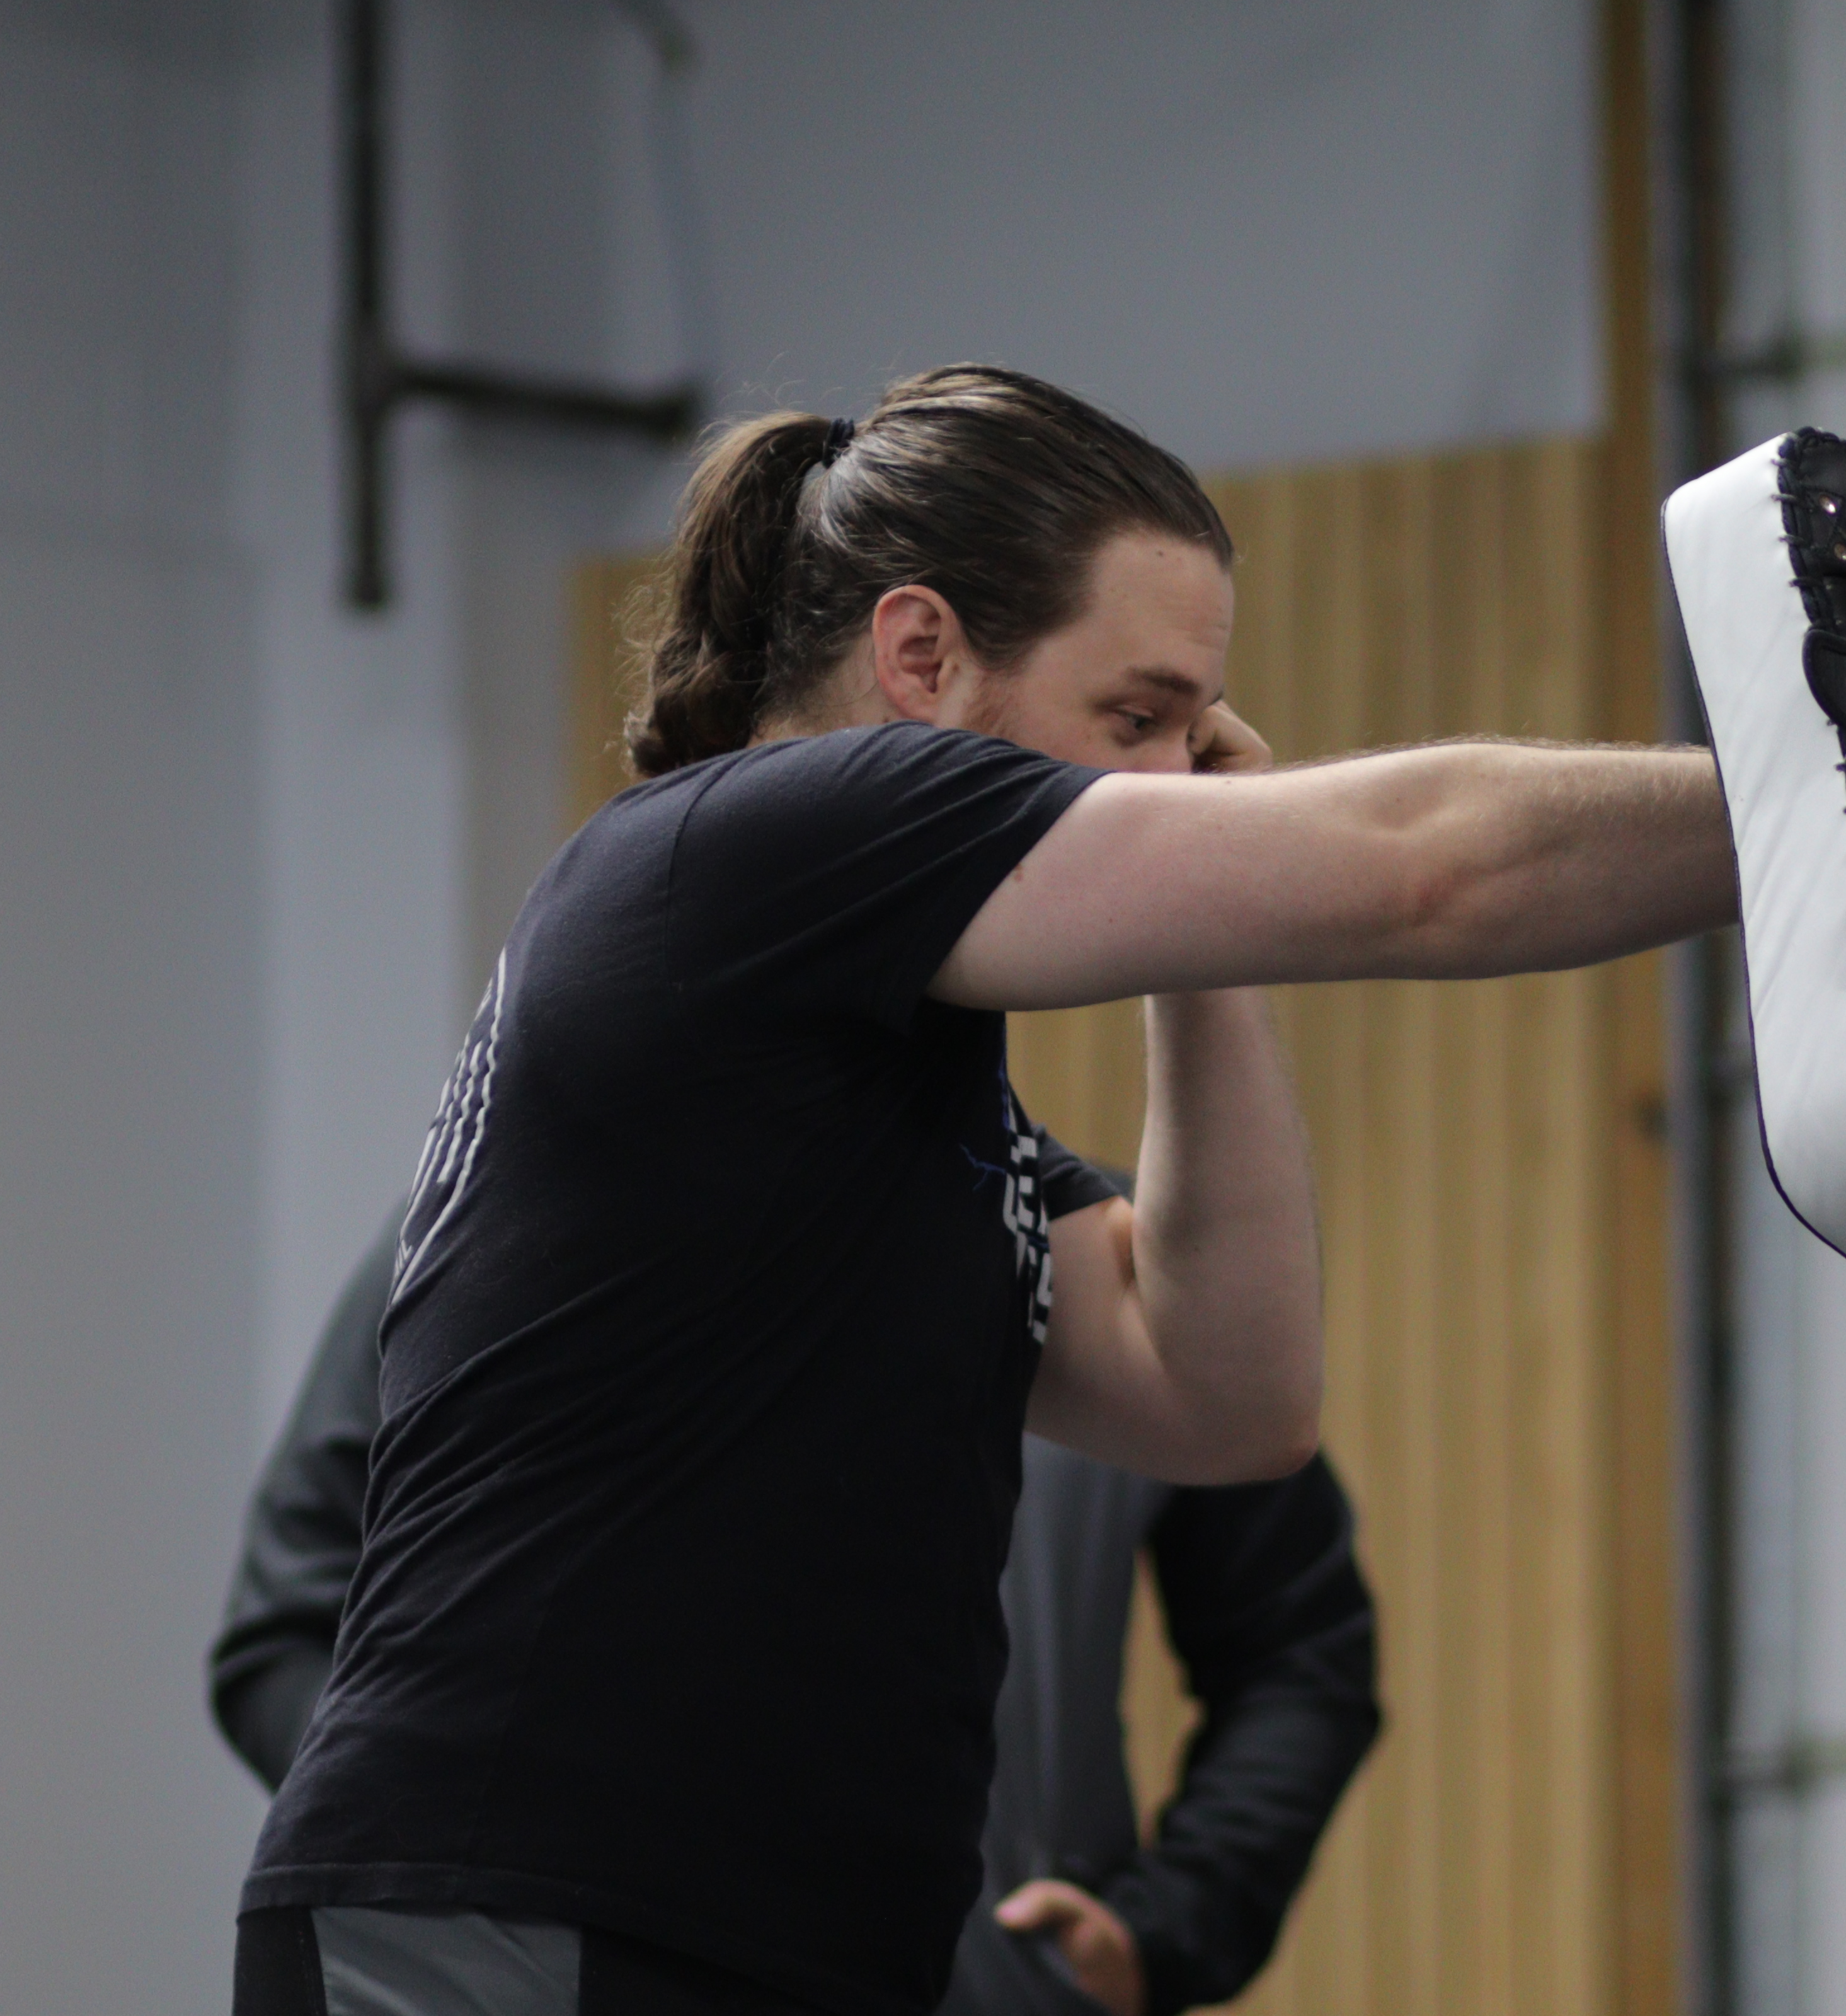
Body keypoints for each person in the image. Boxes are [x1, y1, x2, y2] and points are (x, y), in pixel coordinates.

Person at [233, 363, 1731, 2016]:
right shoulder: (754, 843)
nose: (1177, 778)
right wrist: (1833, 808)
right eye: (1136, 718)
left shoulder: (912, 1115)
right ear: (922, 656)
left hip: (766, 1952)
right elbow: (1431, 870)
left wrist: (1206, 938)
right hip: (520, 1927)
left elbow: (1229, 1399)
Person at [212, 1197, 1380, 2016]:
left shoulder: (1095, 1285)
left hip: (986, 1992)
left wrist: (1161, 1931)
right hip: (585, 1981)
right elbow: (286, 1628)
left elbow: (1301, 1650)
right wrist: (492, 1860)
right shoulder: (485, 1225)